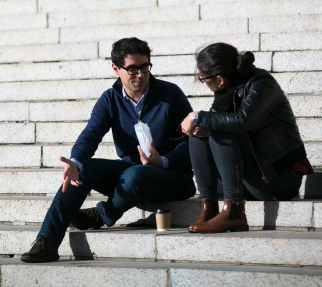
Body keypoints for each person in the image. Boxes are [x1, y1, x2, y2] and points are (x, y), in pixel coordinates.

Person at [21, 37, 196, 262]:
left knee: (135, 173)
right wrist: (75, 161)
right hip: (131, 175)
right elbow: (91, 134)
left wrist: (161, 161)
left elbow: (193, 145)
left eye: (144, 67)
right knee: (83, 169)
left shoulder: (170, 95)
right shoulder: (110, 99)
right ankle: (47, 241)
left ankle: (100, 215)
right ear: (116, 68)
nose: (140, 75)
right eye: (132, 69)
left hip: (172, 178)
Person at [180, 43, 313, 234]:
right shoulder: (227, 88)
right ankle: (208, 206)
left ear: (219, 78)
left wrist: (197, 116)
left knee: (213, 127)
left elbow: (242, 121)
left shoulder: (262, 83)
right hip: (250, 177)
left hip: (279, 177)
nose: (203, 82)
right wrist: (199, 123)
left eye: (203, 78)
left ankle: (234, 211)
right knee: (199, 133)